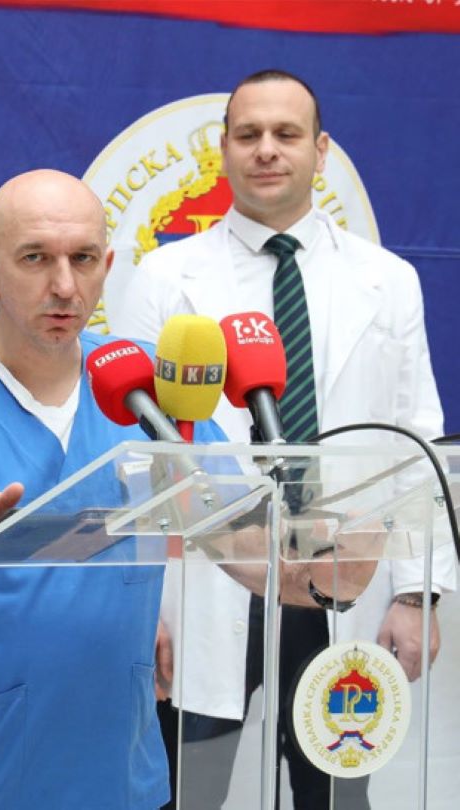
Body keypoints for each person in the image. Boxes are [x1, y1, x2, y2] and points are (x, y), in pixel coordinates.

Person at [0, 169, 365, 809]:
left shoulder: (152, 390)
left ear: (107, 267)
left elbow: (242, 544)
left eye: (83, 259)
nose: (64, 285)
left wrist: (322, 573)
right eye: (35, 258)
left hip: (115, 773)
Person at [117, 69, 456, 809]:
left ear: (320, 150)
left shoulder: (388, 279)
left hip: (341, 580)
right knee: (186, 793)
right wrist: (140, 611)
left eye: (286, 134)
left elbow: (416, 442)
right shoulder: (166, 276)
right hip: (206, 584)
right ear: (223, 149)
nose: (266, 149)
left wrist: (418, 594)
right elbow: (137, 458)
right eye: (248, 134)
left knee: (335, 796)